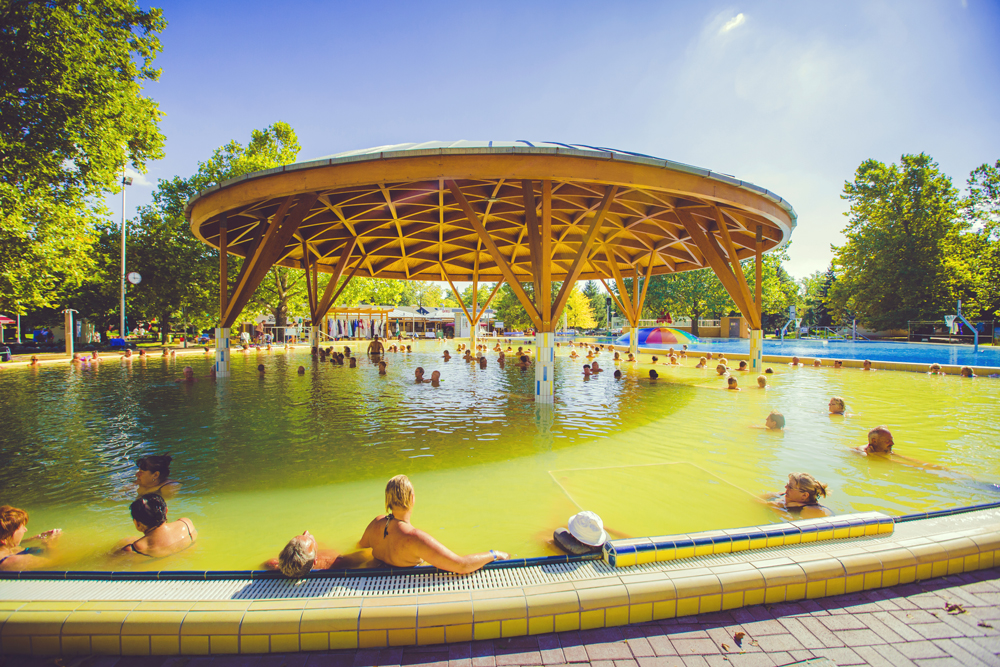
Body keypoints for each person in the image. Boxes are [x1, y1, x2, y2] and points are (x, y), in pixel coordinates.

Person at [359, 475, 509, 572]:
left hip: (379, 580)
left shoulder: (376, 523)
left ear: (388, 500)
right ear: (412, 498)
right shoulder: (415, 537)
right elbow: (461, 565)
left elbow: (360, 547)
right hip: (407, 589)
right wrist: (494, 554)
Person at [117, 494, 197, 558]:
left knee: (126, 540)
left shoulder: (134, 549)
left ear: (137, 523)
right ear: (166, 511)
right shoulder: (186, 523)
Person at [0, 506, 60, 571]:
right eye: (22, 527)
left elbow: (11, 545)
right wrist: (51, 545)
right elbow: (55, 560)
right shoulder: (14, 562)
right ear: (4, 539)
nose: (25, 530)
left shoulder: (3, 551)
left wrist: (34, 538)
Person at [266, 530, 341, 578]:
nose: (306, 532)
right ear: (315, 560)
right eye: (310, 539)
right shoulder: (333, 561)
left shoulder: (273, 563)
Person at [763, 473, 832, 519]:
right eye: (787, 484)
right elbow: (754, 499)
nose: (785, 487)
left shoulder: (811, 510)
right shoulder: (783, 495)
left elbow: (799, 528)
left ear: (804, 495)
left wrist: (776, 508)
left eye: (790, 487)